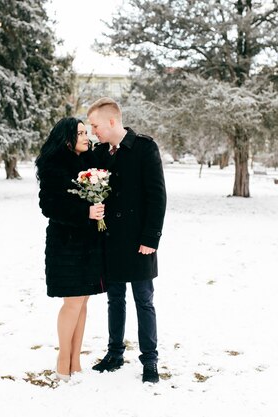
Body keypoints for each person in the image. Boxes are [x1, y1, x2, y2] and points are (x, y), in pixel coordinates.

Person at [87, 97, 167, 383]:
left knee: (144, 300)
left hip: (139, 242)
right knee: (115, 299)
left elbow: (157, 197)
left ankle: (150, 361)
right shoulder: (99, 154)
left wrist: (151, 238)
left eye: (95, 125)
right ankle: (115, 353)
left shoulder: (145, 148)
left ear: (111, 121)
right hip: (111, 241)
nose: (93, 130)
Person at [35, 117, 107, 381]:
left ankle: (76, 360)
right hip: (65, 244)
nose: (86, 136)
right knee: (72, 302)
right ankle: (62, 362)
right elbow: (49, 206)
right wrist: (85, 212)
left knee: (83, 300)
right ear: (67, 139)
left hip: (88, 243)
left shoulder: (89, 162)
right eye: (80, 133)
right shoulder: (53, 166)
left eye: (87, 131)